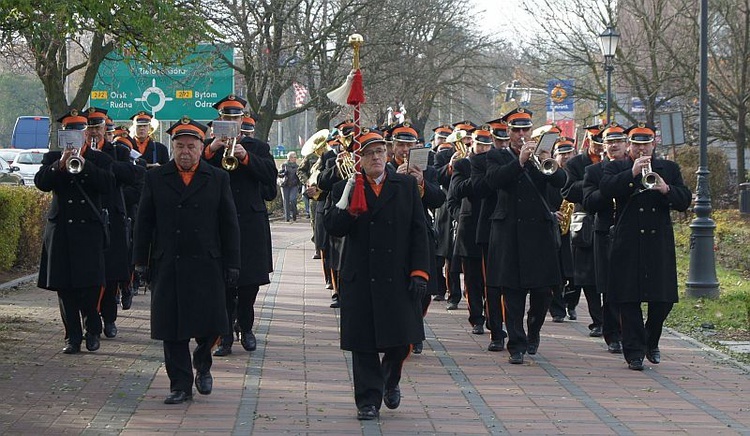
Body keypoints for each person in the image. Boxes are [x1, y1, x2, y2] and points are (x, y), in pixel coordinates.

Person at [324, 128, 430, 421]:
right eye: (369, 153)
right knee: (363, 343)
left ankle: (390, 378)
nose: (375, 157)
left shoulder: (405, 185)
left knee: (401, 340)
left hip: (397, 275)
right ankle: (367, 400)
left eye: (380, 152)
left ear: (387, 155)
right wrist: (348, 206)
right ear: (359, 158)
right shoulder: (347, 186)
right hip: (360, 275)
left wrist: (420, 271)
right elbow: (332, 226)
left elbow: (419, 231)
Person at [133, 117, 241, 404]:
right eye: (179, 146)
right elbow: (144, 222)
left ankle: (203, 362)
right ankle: (179, 385)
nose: (185, 152)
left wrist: (233, 263)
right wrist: (140, 262)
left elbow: (229, 224)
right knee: (173, 328)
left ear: (200, 147)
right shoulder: (156, 178)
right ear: (173, 147)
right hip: (169, 262)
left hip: (207, 262)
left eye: (191, 146)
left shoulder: (218, 178)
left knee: (213, 324)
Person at [599, 123, 691, 370]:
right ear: (629, 145)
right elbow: (605, 190)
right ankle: (634, 352)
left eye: (645, 144)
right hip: (628, 239)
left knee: (662, 299)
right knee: (628, 299)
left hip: (657, 240)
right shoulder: (616, 166)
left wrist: (666, 189)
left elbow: (684, 200)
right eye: (636, 144)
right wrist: (631, 173)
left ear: (654, 144)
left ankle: (651, 340)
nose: (641, 149)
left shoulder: (668, 168)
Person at [484, 108, 566, 364]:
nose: (521, 135)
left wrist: (546, 160)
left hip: (539, 233)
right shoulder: (497, 156)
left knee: (543, 292)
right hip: (509, 232)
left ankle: (534, 330)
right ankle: (516, 344)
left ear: (531, 131)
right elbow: (493, 181)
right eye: (516, 130)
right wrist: (519, 161)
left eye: (525, 130)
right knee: (512, 292)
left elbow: (560, 181)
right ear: (508, 133)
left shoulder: (541, 157)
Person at [35, 109, 114, 354]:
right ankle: (73, 336)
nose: (73, 137)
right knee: (64, 286)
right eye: (69, 132)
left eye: (78, 132)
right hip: (61, 231)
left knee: (90, 285)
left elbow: (108, 185)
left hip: (88, 230)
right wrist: (60, 165)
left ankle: (92, 327)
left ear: (85, 133)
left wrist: (85, 164)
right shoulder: (52, 158)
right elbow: (41, 183)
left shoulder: (99, 158)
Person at [204, 94, 277, 357]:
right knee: (221, 282)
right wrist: (212, 149)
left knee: (249, 283)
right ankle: (224, 336)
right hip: (218, 223)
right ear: (219, 120)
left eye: (235, 118)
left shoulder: (257, 147)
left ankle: (245, 327)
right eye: (226, 118)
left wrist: (245, 157)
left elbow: (270, 177)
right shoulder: (208, 148)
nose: (231, 121)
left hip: (249, 222)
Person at [387, 122, 445, 354]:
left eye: (408, 145)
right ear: (393, 147)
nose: (404, 150)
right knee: (399, 288)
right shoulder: (387, 169)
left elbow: (439, 199)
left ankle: (415, 323)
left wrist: (421, 182)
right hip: (393, 237)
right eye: (400, 145)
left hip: (420, 236)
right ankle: (407, 331)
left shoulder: (428, 170)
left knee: (425, 291)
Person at [85, 107, 138, 339]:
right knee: (87, 276)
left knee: (110, 274)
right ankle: (90, 321)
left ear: (105, 128)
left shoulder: (118, 151)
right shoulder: (76, 152)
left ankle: (109, 318)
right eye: (89, 127)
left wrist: (103, 161)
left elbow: (132, 176)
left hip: (112, 220)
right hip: (87, 220)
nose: (93, 132)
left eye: (97, 127)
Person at [582, 124, 629, 354]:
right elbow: (589, 202)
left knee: (629, 283)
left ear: (626, 143)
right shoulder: (595, 171)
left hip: (630, 232)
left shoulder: (636, 168)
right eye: (610, 142)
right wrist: (610, 187)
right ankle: (613, 333)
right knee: (610, 285)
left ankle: (628, 330)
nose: (614, 145)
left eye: (619, 141)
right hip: (605, 231)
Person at [447, 126, 492, 337]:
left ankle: (493, 317)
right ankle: (476, 317)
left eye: (487, 144)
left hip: (492, 226)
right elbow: (455, 192)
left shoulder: (496, 161)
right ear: (471, 144)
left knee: (492, 278)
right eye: (480, 144)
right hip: (470, 227)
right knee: (473, 278)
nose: (483, 148)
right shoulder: (463, 164)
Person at [561, 124, 606, 336]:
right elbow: (567, 190)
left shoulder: (618, 163)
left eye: (603, 143)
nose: (600, 148)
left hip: (610, 221)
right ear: (589, 141)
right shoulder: (576, 163)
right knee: (588, 276)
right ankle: (598, 320)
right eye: (596, 142)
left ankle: (611, 321)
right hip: (585, 221)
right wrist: (591, 181)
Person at [545, 135, 577, 324]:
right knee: (556, 270)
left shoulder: (578, 171)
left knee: (574, 272)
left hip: (578, 228)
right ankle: (558, 309)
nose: (566, 157)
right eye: (561, 154)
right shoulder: (549, 173)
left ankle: (571, 304)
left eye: (569, 153)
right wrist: (551, 212)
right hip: (555, 227)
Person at [278, 151, 301, 222]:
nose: (295, 159)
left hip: (294, 185)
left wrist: (300, 184)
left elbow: (299, 175)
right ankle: (287, 217)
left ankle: (294, 213)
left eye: (296, 157)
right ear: (290, 158)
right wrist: (283, 173)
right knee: (286, 200)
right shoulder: (284, 165)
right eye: (294, 157)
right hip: (285, 185)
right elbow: (279, 174)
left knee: (293, 199)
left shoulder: (297, 166)